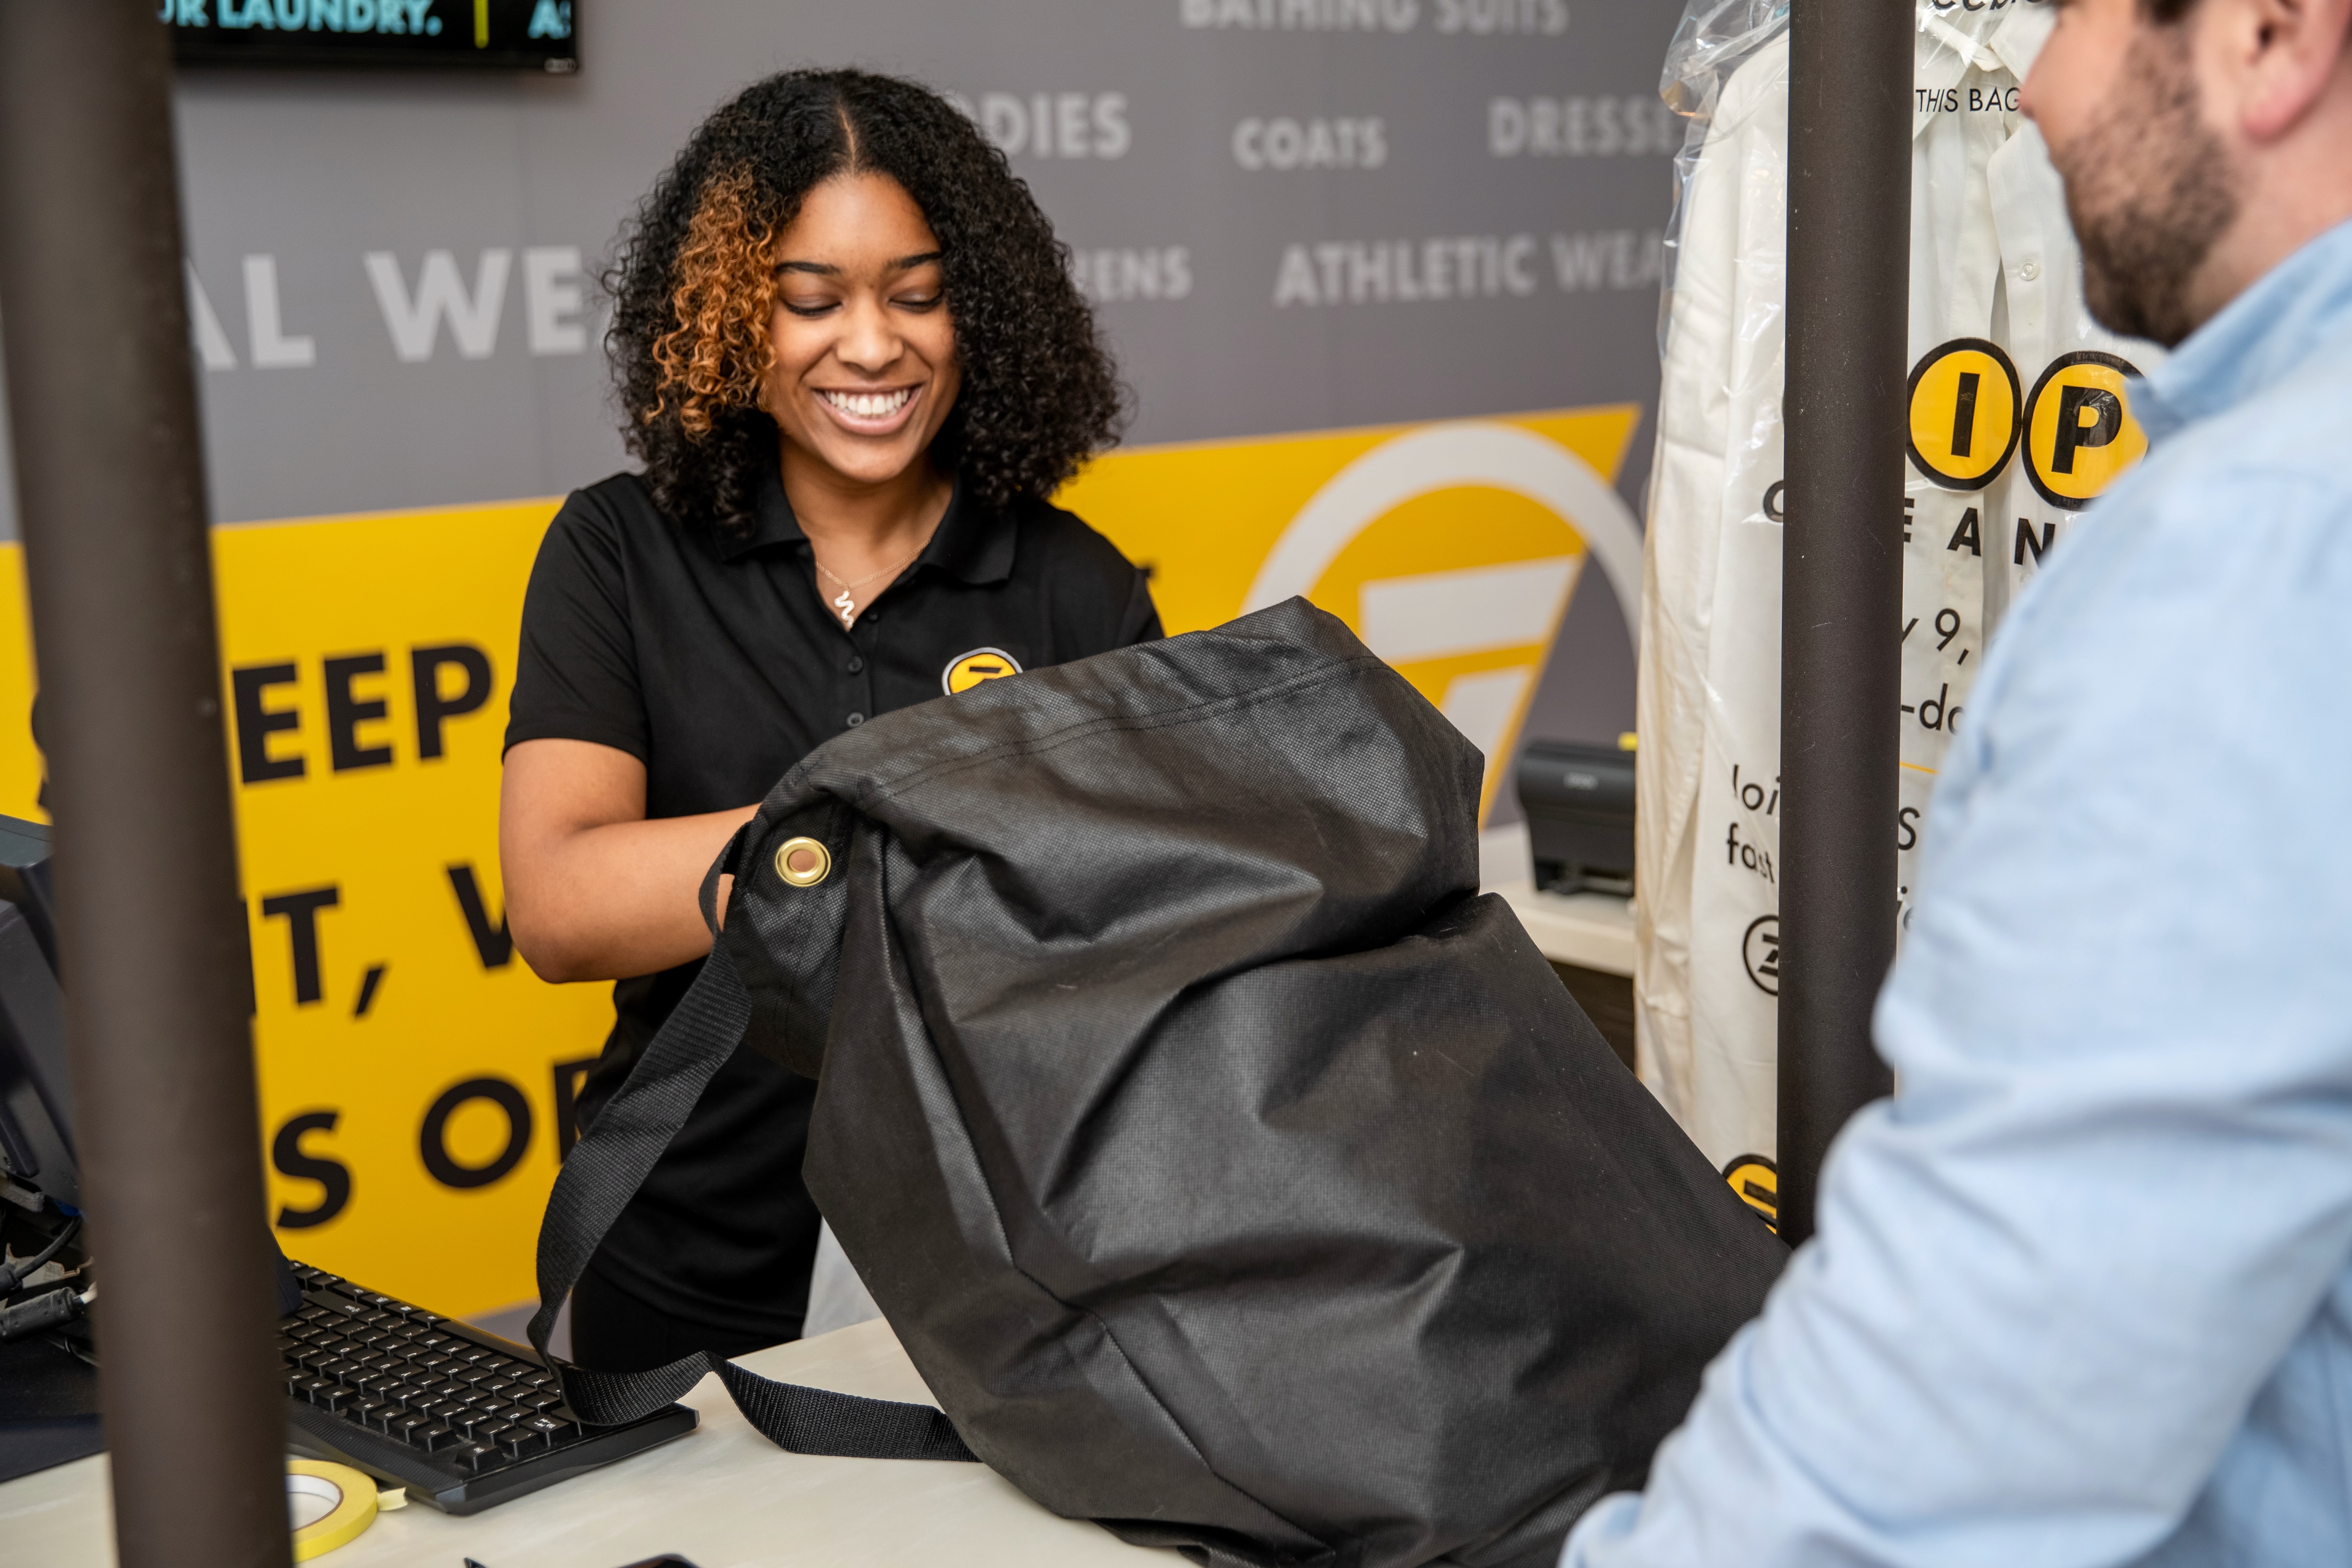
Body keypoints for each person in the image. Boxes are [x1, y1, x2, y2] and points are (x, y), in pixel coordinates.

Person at [1564, 0, 2352, 1562]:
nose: (2032, 86)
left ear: (2275, 35)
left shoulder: (2258, 556)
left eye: (2081, 17)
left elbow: (1975, 1389)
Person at [499, 69, 1158, 1372]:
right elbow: (562, 907)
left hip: (1004, 1279)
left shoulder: (1074, 585)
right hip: (681, 1267)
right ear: (729, 321)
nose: (872, 346)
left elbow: (1142, 928)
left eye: (916, 295)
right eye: (812, 301)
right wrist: (912, 811)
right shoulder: (619, 552)